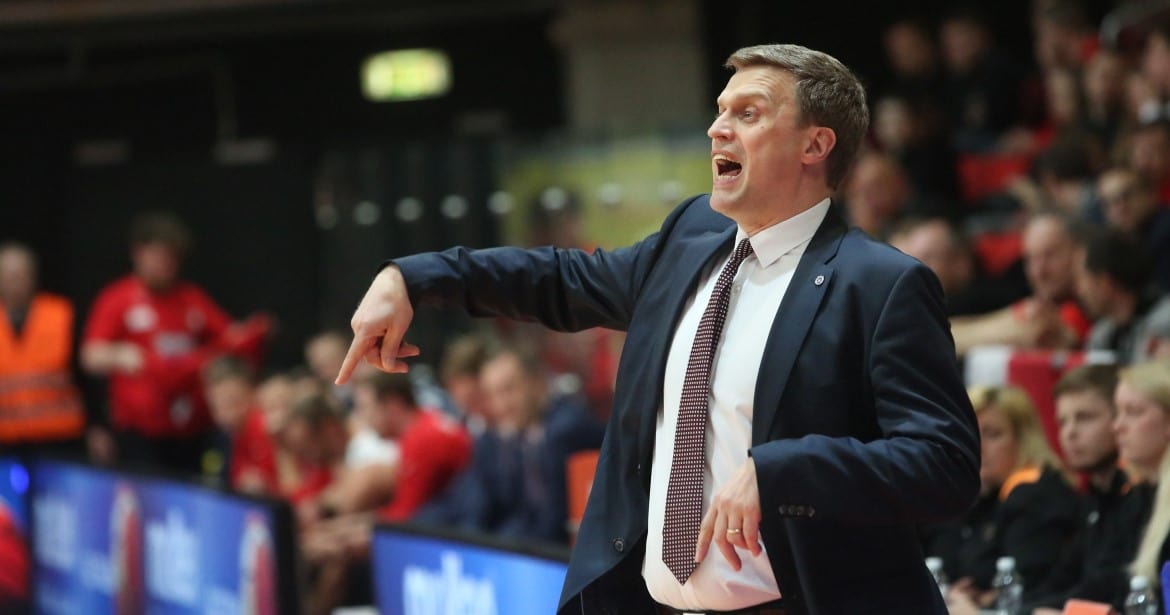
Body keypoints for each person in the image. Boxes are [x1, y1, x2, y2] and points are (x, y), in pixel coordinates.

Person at [338, 43, 979, 614]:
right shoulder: (691, 235)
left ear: (815, 145)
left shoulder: (880, 284)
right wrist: (414, 278)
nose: (717, 128)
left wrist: (786, 471)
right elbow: (559, 279)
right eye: (720, 111)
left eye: (748, 114)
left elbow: (944, 465)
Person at [80, 212, 270, 474]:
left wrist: (251, 331)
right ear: (138, 253)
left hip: (191, 430)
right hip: (140, 433)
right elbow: (90, 355)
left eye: (172, 258)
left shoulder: (191, 298)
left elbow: (229, 337)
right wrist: (123, 355)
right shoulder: (117, 298)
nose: (165, 265)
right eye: (158, 256)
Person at [921, 386, 1078, 605]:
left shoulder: (1033, 493)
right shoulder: (987, 494)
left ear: (1023, 438)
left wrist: (981, 602)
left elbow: (1025, 586)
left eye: (993, 434)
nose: (979, 446)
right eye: (972, 433)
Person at [1026, 364, 1144, 613]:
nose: (1069, 433)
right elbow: (1062, 579)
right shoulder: (1093, 498)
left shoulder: (1139, 495)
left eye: (1085, 417)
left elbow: (1106, 588)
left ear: (1118, 420)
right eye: (1062, 421)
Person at [0, 242, 84, 451]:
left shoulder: (61, 314)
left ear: (33, 276)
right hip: (5, 442)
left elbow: (85, 376)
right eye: (8, 276)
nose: (15, 283)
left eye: (21, 275)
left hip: (58, 438)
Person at [1077, 229, 1170, 364]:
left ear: (1105, 283)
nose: (1080, 291)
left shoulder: (1165, 323)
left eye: (1082, 279)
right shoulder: (1101, 335)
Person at [201, 355, 278, 495]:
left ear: (254, 394)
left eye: (233, 403)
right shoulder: (230, 436)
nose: (225, 415)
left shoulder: (270, 430)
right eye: (216, 407)